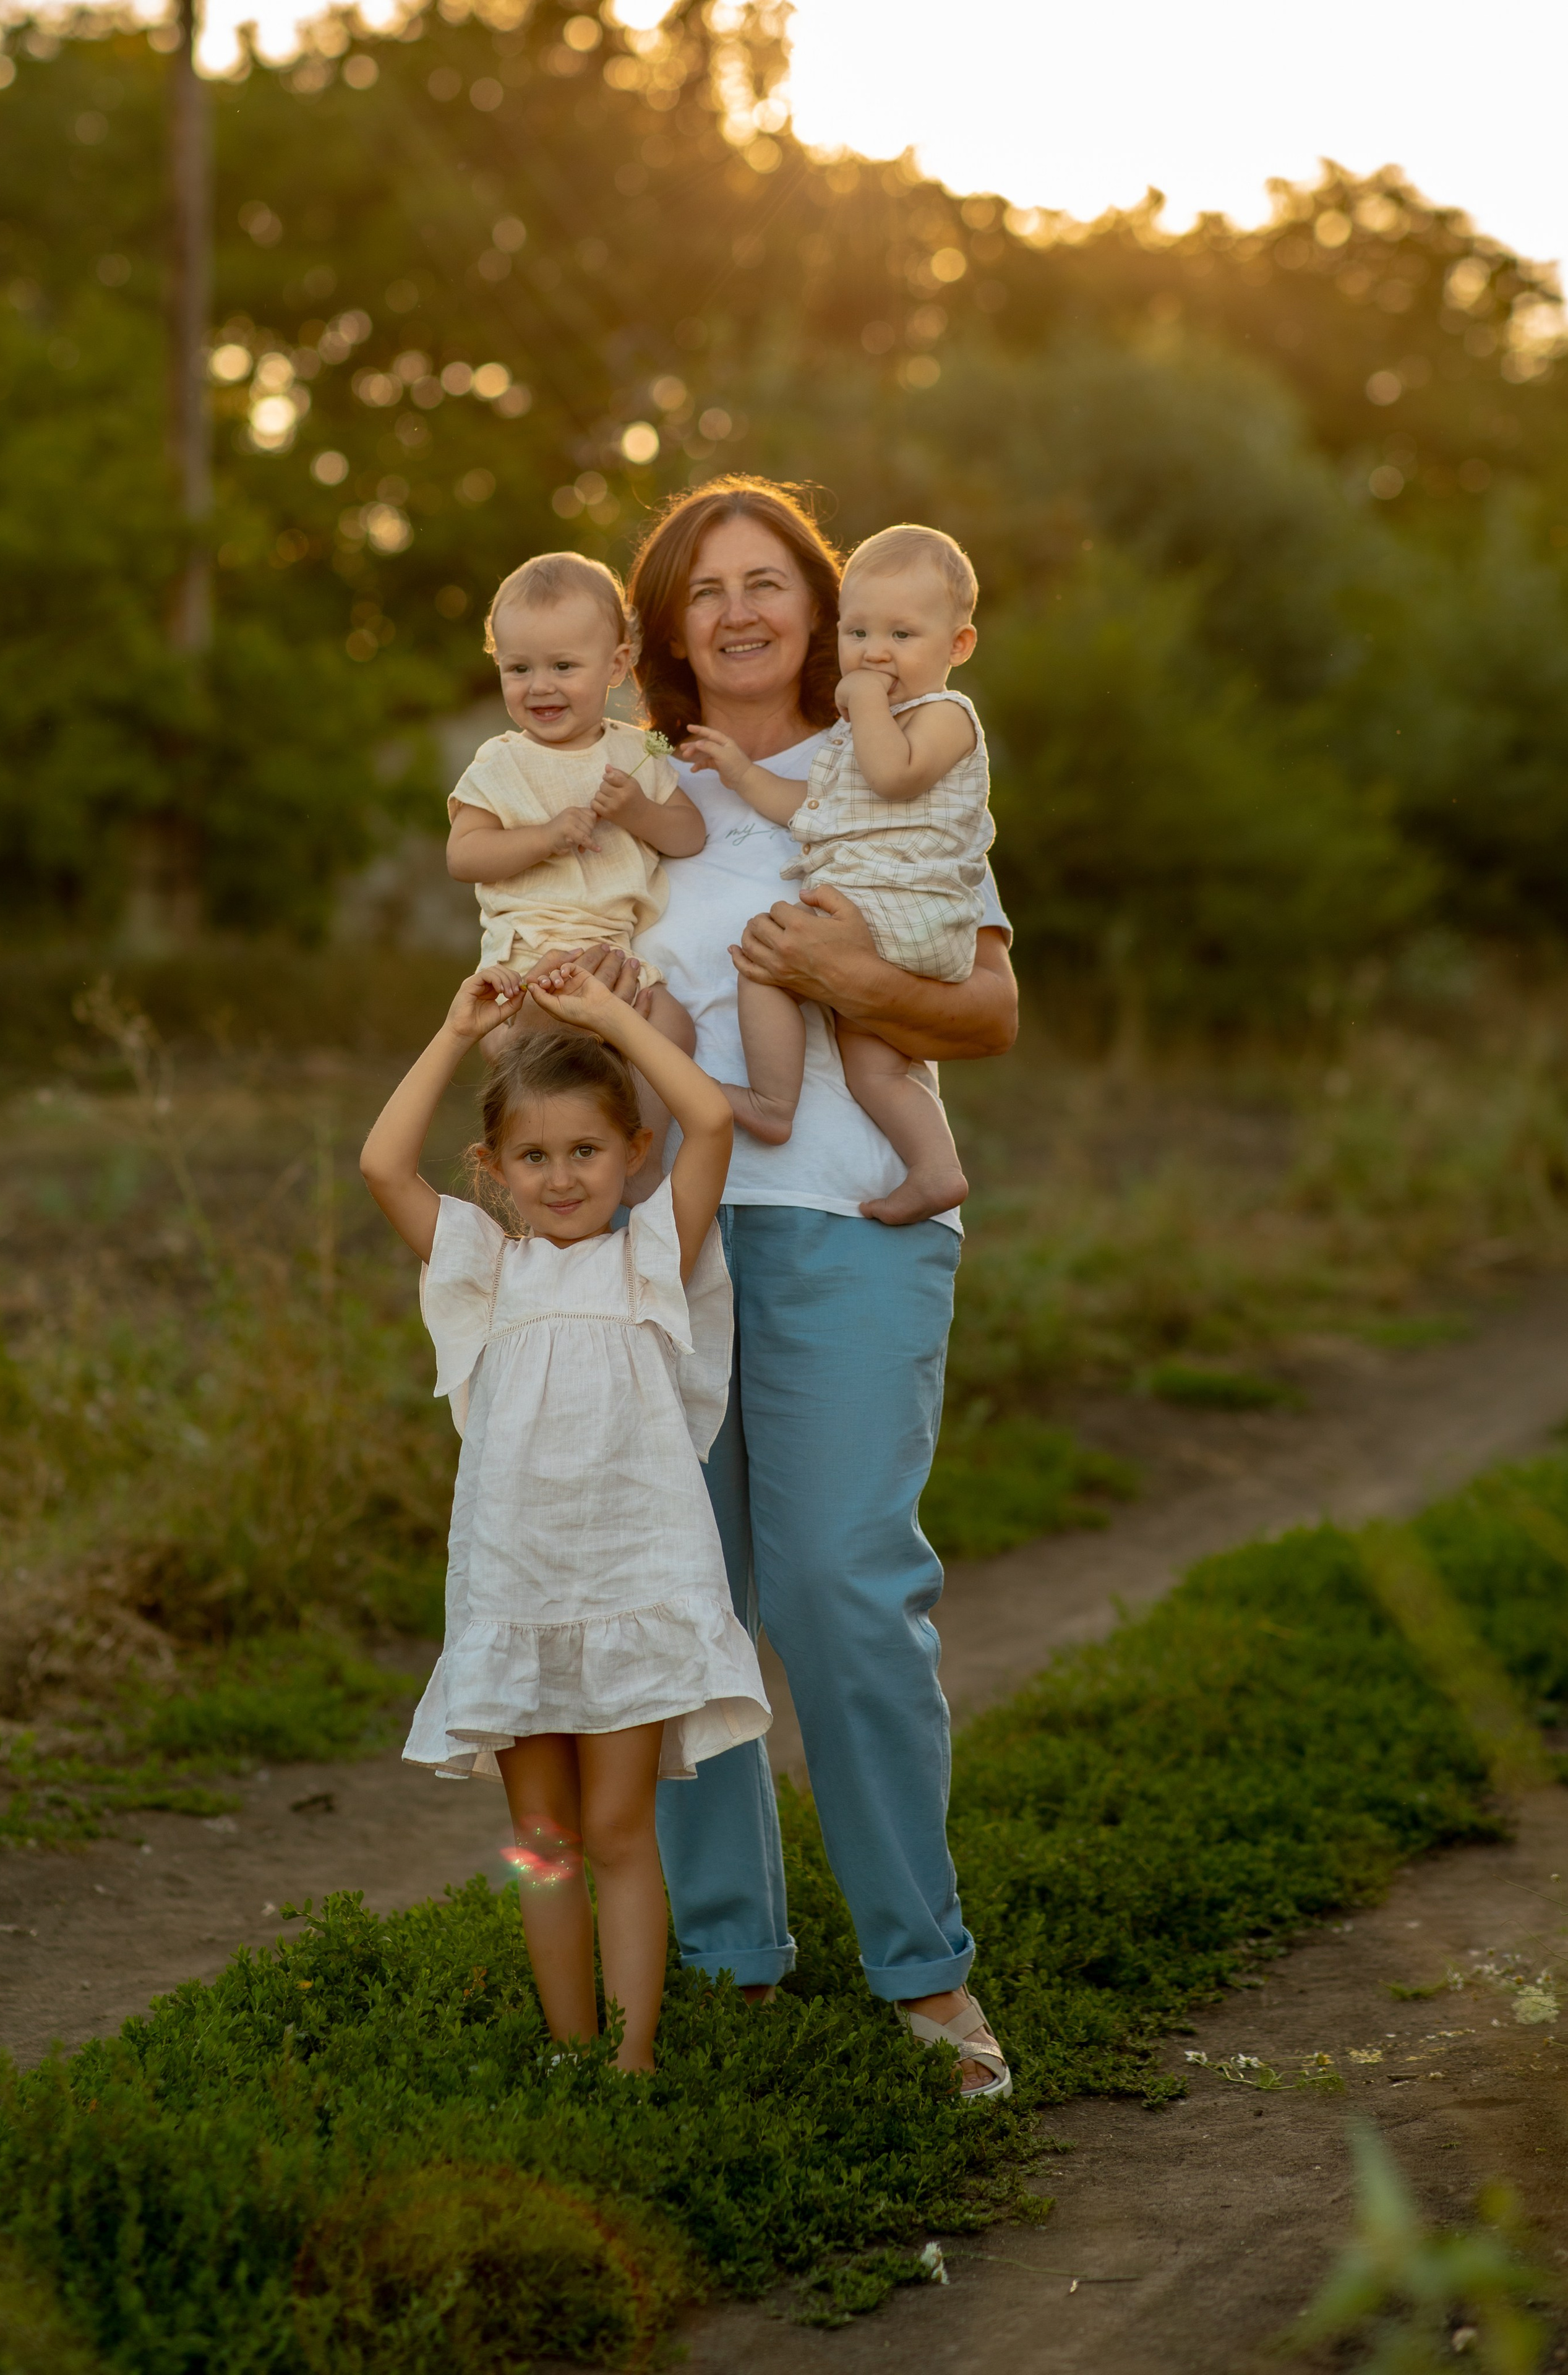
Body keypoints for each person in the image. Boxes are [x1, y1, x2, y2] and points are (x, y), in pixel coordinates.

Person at [624, 476, 1019, 2099]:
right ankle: (727, 1961)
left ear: (820, 602)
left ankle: (924, 1973)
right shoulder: (636, 798)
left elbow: (985, 1009)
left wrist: (835, 974)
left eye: (768, 579)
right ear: (668, 628)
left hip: (852, 1221)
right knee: (683, 1605)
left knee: (845, 1592)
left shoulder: (895, 764)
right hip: (668, 1239)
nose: (738, 609)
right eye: (705, 587)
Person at [358, 958, 769, 2074]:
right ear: (493, 1171)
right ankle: (570, 2052)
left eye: (586, 1150)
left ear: (633, 1155)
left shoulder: (651, 1257)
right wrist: (453, 1034)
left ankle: (633, 2064)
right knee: (542, 1840)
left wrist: (603, 1023)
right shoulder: (486, 1271)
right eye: (533, 1157)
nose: (561, 1176)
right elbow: (383, 1164)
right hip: (519, 1590)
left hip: (631, 1586)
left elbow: (712, 1119)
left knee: (623, 1831)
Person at [680, 522, 992, 1228]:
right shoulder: (857, 736)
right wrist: (740, 774)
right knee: (874, 1065)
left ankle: (769, 1103)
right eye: (859, 634)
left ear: (958, 646)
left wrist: (866, 702)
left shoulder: (946, 718)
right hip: (887, 922)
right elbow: (812, 810)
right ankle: (936, 1166)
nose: (875, 653)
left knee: (765, 956)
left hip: (908, 913)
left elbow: (891, 776)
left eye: (902, 636)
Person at [443, 550, 707, 1170]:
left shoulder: (638, 754)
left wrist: (639, 812)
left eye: (563, 666)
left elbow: (689, 834)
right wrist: (543, 837)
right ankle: (545, 1175)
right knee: (540, 1063)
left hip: (617, 957)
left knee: (674, 1030)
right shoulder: (500, 764)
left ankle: (637, 1170)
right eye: (519, 668)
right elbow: (464, 854)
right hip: (533, 958)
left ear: (616, 665)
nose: (540, 686)